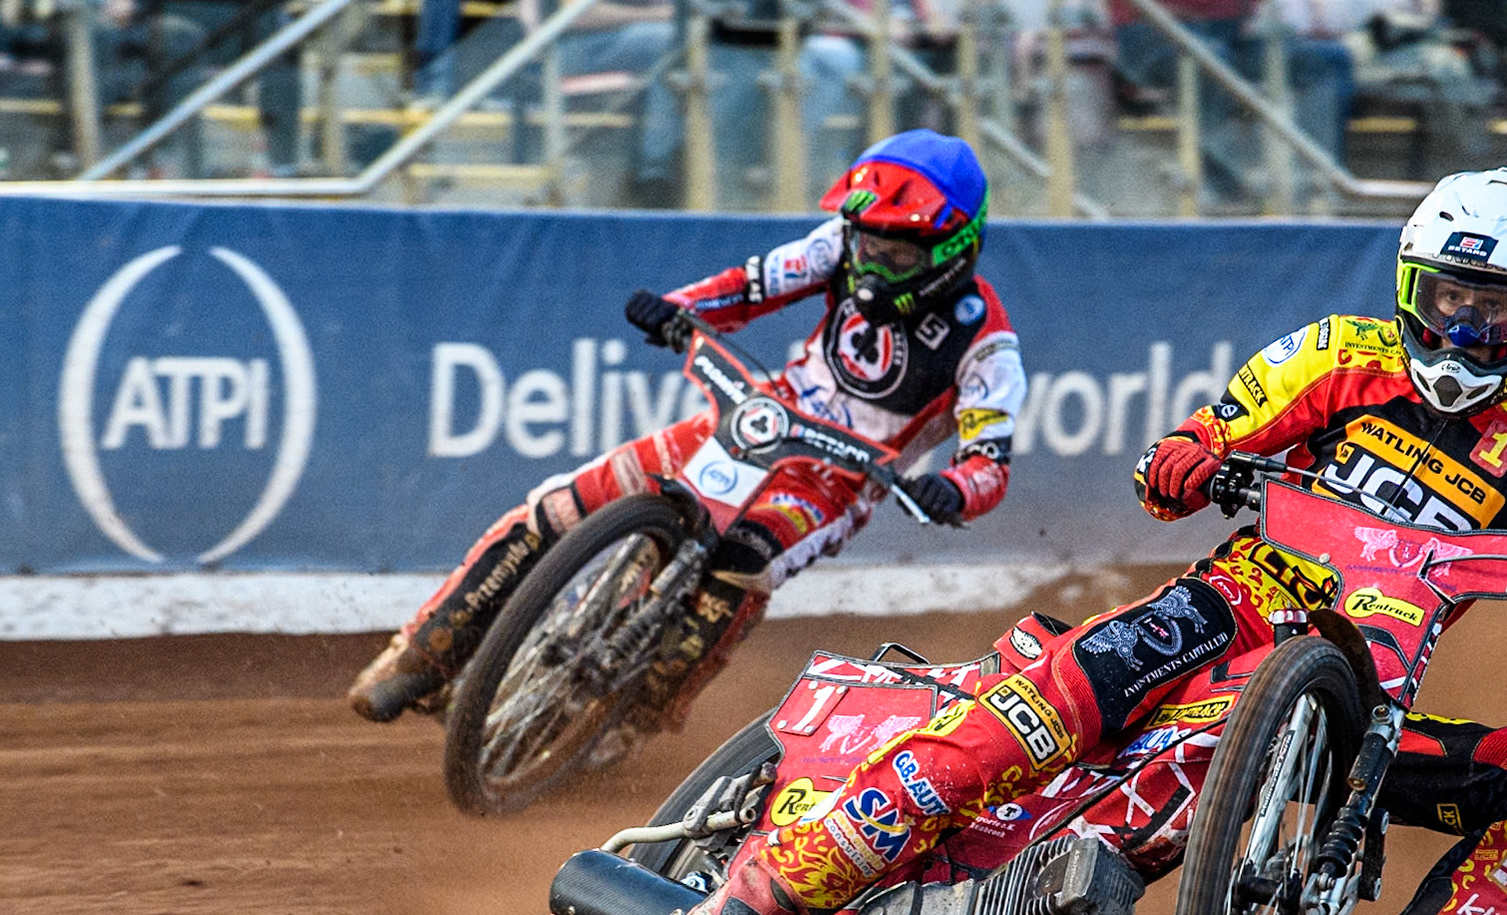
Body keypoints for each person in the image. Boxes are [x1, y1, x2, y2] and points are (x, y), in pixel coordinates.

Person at [658, 167, 1507, 915]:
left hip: (1363, 705)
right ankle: (760, 898)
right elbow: (1198, 447)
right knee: (1035, 712)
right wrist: (1185, 458)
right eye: (1449, 300)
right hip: (1227, 608)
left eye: (1497, 312)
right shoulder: (1339, 355)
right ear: (1412, 287)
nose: (1465, 332)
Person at [348, 130, 1026, 732]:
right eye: (866, 244)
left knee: (743, 560)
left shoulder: (987, 344)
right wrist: (679, 309)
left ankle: (644, 712)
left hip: (838, 478)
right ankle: (422, 653)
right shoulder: (839, 247)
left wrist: (953, 491)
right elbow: (751, 287)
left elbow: (989, 463)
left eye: (896, 258)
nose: (872, 266)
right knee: (561, 506)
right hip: (760, 414)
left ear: (954, 250)